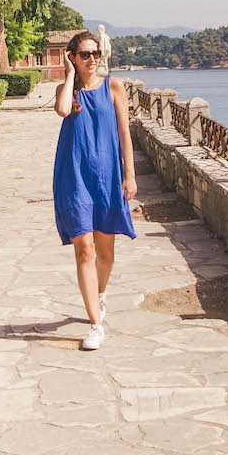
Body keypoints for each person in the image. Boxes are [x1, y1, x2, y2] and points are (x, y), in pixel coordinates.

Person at [53, 30, 137, 351]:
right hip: (74, 178)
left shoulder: (113, 87)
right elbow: (62, 110)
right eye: (85, 54)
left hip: (107, 179)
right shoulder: (67, 92)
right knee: (84, 250)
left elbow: (125, 134)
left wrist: (129, 175)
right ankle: (95, 324)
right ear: (73, 57)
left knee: (106, 254)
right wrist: (70, 75)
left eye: (96, 54)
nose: (92, 59)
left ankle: (100, 294)